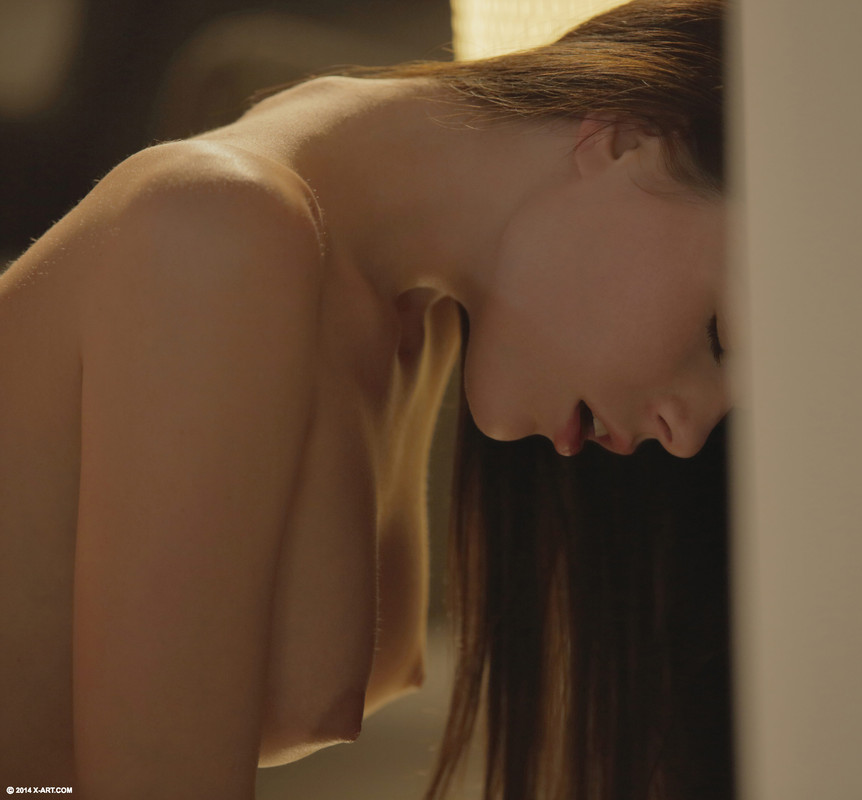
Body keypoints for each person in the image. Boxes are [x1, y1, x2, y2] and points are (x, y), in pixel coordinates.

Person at [0, 0, 732, 797]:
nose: (689, 431)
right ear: (626, 142)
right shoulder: (216, 228)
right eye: (720, 334)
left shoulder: (411, 311)